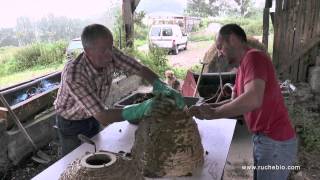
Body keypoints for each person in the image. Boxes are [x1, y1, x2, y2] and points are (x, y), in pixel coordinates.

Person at [54, 24, 185, 156]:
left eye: (111, 47)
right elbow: (103, 116)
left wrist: (160, 84)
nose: (109, 55)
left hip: (93, 115)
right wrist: (141, 108)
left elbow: (138, 68)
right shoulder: (74, 74)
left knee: (95, 152)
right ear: (87, 52)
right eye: (103, 51)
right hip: (71, 121)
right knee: (72, 160)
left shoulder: (109, 53)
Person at [188, 24, 297, 180]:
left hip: (275, 141)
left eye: (220, 47)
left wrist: (214, 114)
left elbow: (253, 99)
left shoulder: (254, 57)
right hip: (263, 139)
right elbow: (237, 103)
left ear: (232, 39)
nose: (218, 53)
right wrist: (208, 107)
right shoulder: (242, 69)